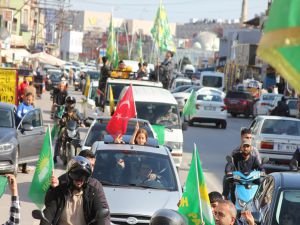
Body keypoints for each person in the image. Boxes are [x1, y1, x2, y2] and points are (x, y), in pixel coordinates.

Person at [50, 152, 110, 225]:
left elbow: (102, 211)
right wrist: (53, 189)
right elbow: (49, 207)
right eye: (76, 174)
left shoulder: (94, 188)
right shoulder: (61, 185)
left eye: (92, 165)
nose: (80, 179)